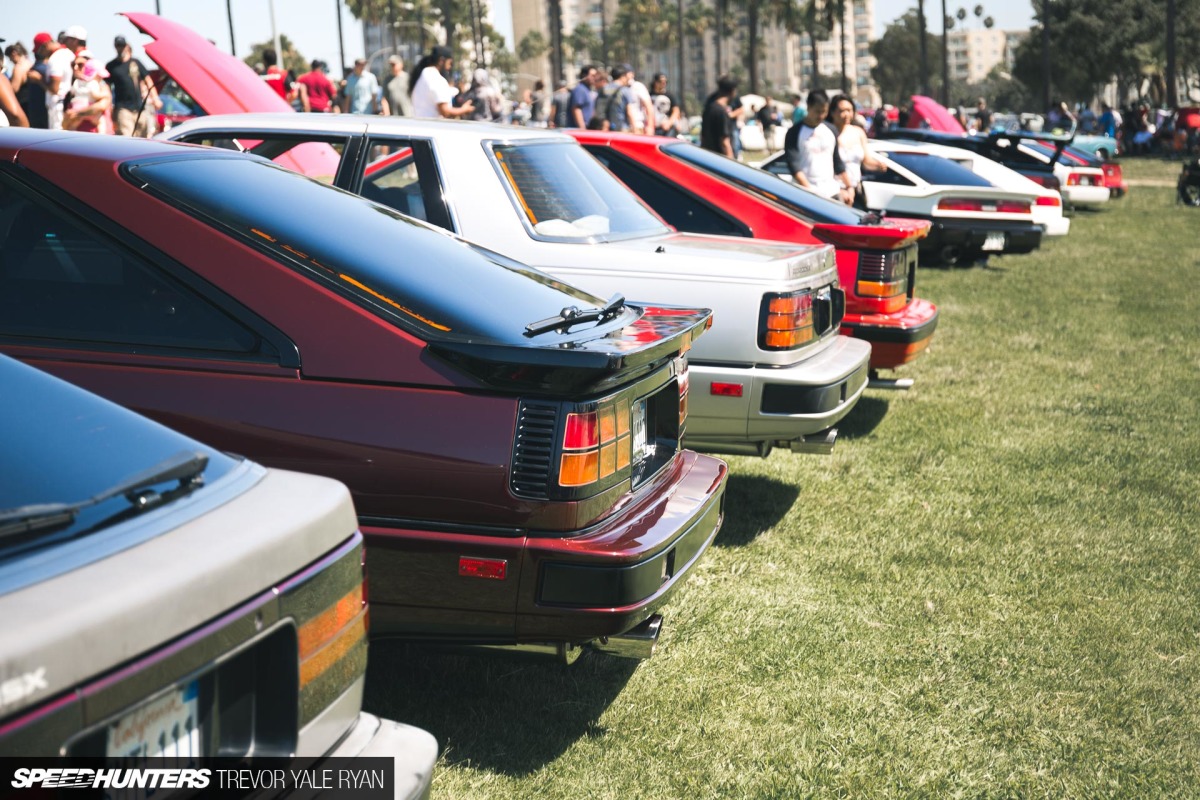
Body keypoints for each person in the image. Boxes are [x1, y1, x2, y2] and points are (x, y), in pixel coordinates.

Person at [784, 89, 852, 203]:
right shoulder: (794, 132)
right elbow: (794, 166)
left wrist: (849, 187)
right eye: (817, 111)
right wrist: (810, 192)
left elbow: (837, 162)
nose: (821, 116)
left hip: (831, 193)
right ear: (808, 107)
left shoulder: (831, 130)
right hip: (806, 194)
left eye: (824, 112)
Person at [828, 95, 886, 202]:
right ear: (832, 112)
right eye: (842, 111)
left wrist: (878, 165)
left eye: (849, 110)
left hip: (855, 189)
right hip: (835, 191)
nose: (846, 114)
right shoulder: (827, 133)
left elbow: (866, 161)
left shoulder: (858, 132)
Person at [106, 36, 159, 137]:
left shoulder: (135, 63)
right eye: (118, 45)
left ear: (126, 46)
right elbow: (107, 87)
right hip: (123, 109)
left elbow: (148, 80)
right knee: (127, 137)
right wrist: (109, 106)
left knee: (142, 138)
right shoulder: (111, 66)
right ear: (115, 47)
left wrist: (155, 98)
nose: (120, 48)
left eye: (122, 45)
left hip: (139, 108)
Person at [408, 46, 472, 119]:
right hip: (432, 125)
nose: (450, 67)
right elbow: (445, 112)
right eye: (450, 63)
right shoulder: (435, 78)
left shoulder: (425, 74)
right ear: (441, 60)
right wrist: (464, 109)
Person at [63, 51, 111, 133]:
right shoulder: (73, 88)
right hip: (77, 136)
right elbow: (65, 123)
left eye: (80, 65)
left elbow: (100, 106)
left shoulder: (102, 86)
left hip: (97, 136)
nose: (75, 68)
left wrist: (77, 113)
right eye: (73, 65)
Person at [6, 42, 47, 129]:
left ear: (14, 53)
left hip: (22, 106)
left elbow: (14, 89)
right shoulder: (30, 64)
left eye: (9, 58)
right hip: (32, 105)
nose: (10, 61)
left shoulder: (18, 67)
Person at [700, 74, 738, 157]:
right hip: (719, 159)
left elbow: (703, 136)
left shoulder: (709, 108)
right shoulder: (721, 112)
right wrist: (730, 160)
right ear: (732, 91)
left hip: (707, 156)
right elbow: (724, 141)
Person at [601, 64, 638, 132]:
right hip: (621, 128)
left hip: (605, 127)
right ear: (622, 76)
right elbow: (629, 112)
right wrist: (635, 128)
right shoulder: (625, 90)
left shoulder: (604, 89)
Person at [567, 64, 597, 128]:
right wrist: (582, 128)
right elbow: (576, 109)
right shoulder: (580, 90)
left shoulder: (587, 90)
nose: (595, 78)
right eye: (592, 76)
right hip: (579, 130)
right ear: (584, 76)